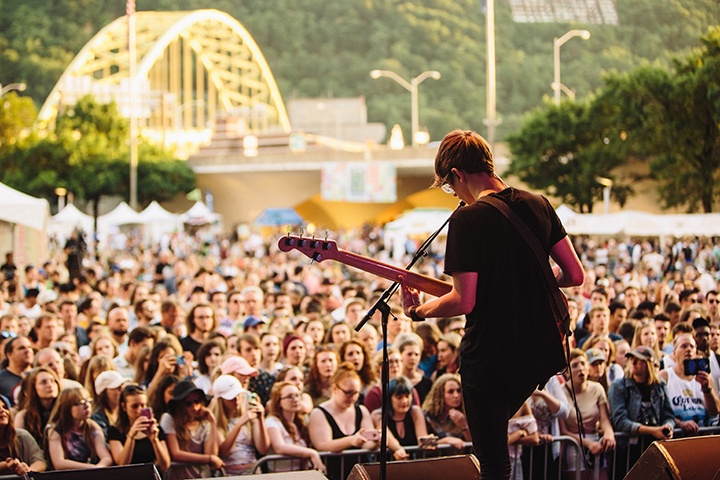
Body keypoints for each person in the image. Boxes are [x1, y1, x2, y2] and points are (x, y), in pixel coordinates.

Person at [400, 130, 584, 479]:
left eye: (450, 187)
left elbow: (463, 299)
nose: (455, 195)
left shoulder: (467, 220)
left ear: (457, 174)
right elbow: (574, 274)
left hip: (490, 361)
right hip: (539, 352)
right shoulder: (538, 203)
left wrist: (417, 311)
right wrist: (532, 284)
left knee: (495, 465)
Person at [608, 346, 675, 472]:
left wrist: (667, 427)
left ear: (649, 364)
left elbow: (669, 415)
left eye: (639, 360)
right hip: (627, 449)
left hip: (654, 447)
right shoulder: (619, 386)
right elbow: (620, 421)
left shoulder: (659, 385)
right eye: (631, 358)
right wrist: (652, 430)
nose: (633, 363)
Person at [308, 363, 378, 480]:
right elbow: (322, 445)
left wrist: (375, 442)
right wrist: (351, 440)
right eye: (348, 393)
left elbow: (366, 443)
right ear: (335, 388)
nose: (352, 397)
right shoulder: (319, 413)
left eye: (356, 393)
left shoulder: (361, 410)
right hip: (332, 474)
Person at [559, 349, 616, 480]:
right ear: (567, 372)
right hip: (573, 444)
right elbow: (563, 430)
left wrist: (609, 433)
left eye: (583, 364)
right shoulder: (561, 392)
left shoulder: (597, 388)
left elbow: (604, 419)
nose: (580, 369)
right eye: (575, 365)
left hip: (597, 443)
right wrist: (587, 444)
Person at [160, 379, 223, 480]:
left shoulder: (205, 423)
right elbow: (175, 453)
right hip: (178, 476)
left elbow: (212, 453)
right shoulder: (169, 419)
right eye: (188, 403)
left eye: (197, 401)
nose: (194, 407)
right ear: (179, 405)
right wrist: (208, 459)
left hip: (202, 476)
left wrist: (213, 423)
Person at [210, 374, 270, 475]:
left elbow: (263, 449)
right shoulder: (215, 421)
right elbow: (223, 451)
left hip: (252, 470)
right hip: (228, 473)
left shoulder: (249, 415)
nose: (236, 400)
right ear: (221, 400)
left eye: (238, 395)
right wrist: (239, 424)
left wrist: (261, 419)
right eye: (231, 397)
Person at [45, 387, 113, 470]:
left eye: (88, 401)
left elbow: (106, 458)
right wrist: (92, 468)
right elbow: (59, 463)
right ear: (66, 407)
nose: (86, 406)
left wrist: (99, 468)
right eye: (80, 402)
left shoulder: (92, 427)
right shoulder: (55, 430)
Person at [265, 381, 326, 473]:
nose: (295, 399)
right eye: (290, 396)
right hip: (281, 475)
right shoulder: (272, 421)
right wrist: (311, 453)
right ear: (279, 402)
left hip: (301, 474)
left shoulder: (301, 421)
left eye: (297, 395)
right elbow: (279, 447)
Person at [108, 383, 170, 471]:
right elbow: (122, 464)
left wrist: (154, 440)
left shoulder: (157, 429)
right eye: (134, 406)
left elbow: (165, 466)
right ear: (124, 407)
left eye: (143, 405)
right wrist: (131, 436)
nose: (139, 410)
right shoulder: (115, 431)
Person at [371, 376, 428, 458]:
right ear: (389, 398)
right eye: (399, 397)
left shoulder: (415, 412)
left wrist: (443, 441)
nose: (404, 401)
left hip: (410, 463)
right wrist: (399, 450)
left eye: (407, 396)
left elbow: (422, 439)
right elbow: (388, 437)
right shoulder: (378, 415)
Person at [421, 373, 471, 449]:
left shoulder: (466, 413)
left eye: (458, 391)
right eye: (451, 392)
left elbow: (473, 443)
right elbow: (423, 443)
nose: (456, 395)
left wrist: (464, 426)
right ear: (440, 394)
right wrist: (445, 441)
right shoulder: (428, 415)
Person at [0, 396, 46, 475]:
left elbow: (40, 462)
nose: (2, 410)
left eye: (4, 407)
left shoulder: (22, 436)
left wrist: (28, 470)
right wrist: (6, 465)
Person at [14, 366, 61, 445]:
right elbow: (19, 445)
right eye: (43, 382)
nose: (50, 385)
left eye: (53, 381)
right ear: (34, 388)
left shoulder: (66, 411)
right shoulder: (24, 416)